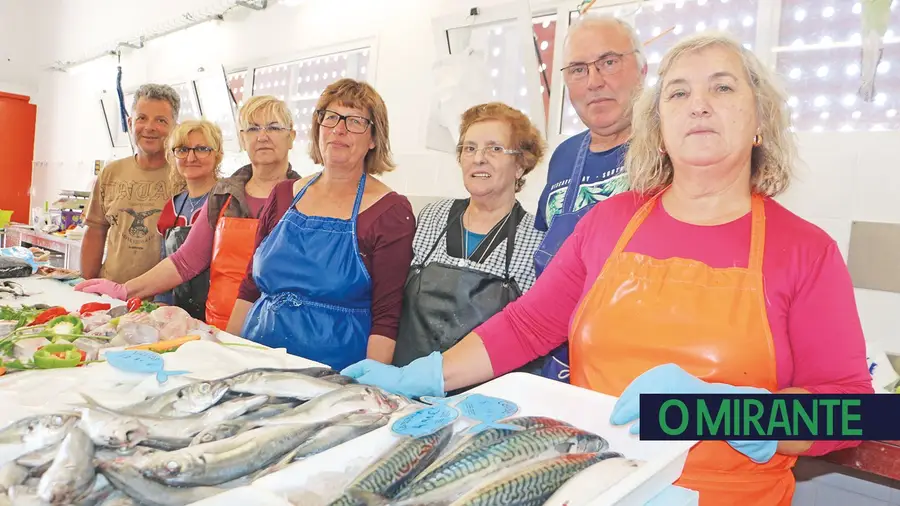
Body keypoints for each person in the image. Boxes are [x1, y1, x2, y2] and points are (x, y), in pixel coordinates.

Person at [341, 33, 873, 505]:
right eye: (679, 93)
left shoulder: (806, 250)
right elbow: (527, 325)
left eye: (723, 88)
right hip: (595, 482)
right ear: (658, 126)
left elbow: (857, 412)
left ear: (760, 120)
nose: (700, 106)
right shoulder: (610, 221)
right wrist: (430, 373)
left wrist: (724, 411)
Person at [227, 79, 415, 370]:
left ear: (374, 139)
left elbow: (386, 317)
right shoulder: (282, 195)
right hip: (257, 361)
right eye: (330, 118)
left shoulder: (390, 212)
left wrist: (366, 389)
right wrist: (228, 356)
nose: (339, 130)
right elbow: (250, 287)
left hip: (334, 377)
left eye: (355, 121)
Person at [76, 96, 301, 328]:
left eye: (274, 127)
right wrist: (125, 289)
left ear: (291, 137)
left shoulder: (304, 198)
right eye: (253, 128)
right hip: (218, 329)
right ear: (243, 139)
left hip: (275, 330)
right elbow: (185, 260)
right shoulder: (224, 195)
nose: (262, 136)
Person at [533, 15, 647, 382]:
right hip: (560, 354)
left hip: (640, 359)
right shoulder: (564, 156)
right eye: (579, 70)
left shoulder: (671, 151)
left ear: (642, 68)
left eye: (609, 62)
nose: (595, 81)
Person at [392, 102, 546, 369]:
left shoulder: (536, 238)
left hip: (488, 399)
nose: (478, 158)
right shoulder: (431, 217)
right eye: (469, 148)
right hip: (408, 385)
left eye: (495, 149)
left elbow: (536, 333)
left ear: (520, 165)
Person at [81, 84, 181, 283]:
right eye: (141, 118)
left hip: (160, 302)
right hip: (110, 293)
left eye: (160, 120)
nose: (149, 127)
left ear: (175, 128)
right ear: (130, 122)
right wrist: (88, 284)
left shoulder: (184, 178)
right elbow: (95, 230)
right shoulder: (111, 173)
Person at [152, 119, 223, 319]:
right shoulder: (171, 208)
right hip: (178, 315)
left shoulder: (228, 202)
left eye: (201, 149)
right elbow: (164, 264)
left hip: (218, 315)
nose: (191, 157)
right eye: (182, 149)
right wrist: (160, 307)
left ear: (217, 155)